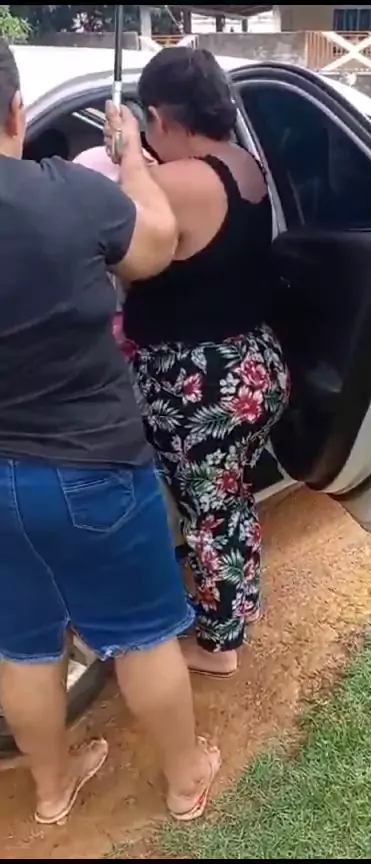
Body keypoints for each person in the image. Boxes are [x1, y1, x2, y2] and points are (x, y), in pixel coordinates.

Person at [0, 40, 220, 825]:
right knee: (143, 635)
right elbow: (155, 245)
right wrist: (128, 156)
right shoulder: (66, 192)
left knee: (23, 644)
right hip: (91, 463)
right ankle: (185, 781)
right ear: (17, 110)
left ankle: (53, 790)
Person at [117, 47, 291, 680]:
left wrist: (127, 157)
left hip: (199, 385)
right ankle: (235, 609)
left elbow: (124, 244)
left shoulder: (176, 182)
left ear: (159, 117)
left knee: (209, 512)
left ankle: (219, 646)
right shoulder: (242, 163)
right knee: (228, 500)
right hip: (251, 365)